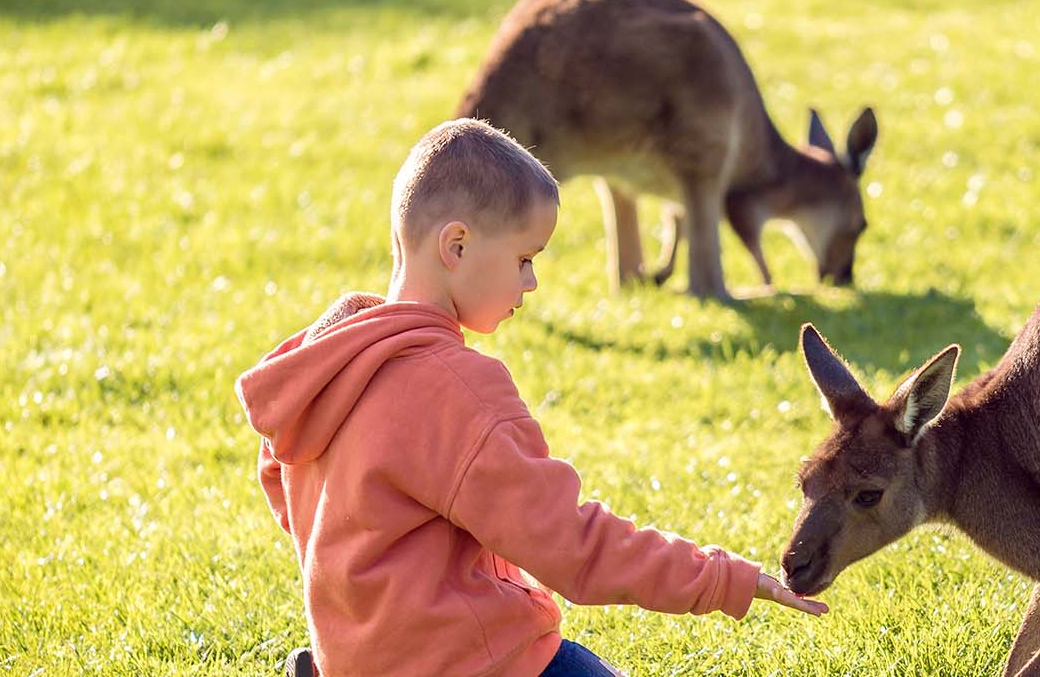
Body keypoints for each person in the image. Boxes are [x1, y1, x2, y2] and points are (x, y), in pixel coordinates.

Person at [238, 119, 825, 677]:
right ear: (458, 246)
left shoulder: (328, 359)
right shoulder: (457, 389)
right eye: (524, 259)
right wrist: (722, 579)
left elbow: (281, 477)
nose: (530, 283)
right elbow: (572, 545)